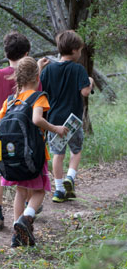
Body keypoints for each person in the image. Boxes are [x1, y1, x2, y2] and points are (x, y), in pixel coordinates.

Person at [0, 57, 68, 247]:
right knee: (39, 191)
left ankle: (16, 234)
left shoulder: (10, 101)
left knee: (20, 191)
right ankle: (26, 219)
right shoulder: (39, 97)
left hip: (14, 157)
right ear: (37, 76)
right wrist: (55, 128)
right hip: (34, 156)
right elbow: (36, 120)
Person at [40, 30, 94, 203]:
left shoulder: (49, 70)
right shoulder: (78, 69)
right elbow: (85, 92)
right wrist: (90, 81)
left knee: (57, 154)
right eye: (79, 50)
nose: (80, 53)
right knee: (76, 150)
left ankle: (59, 190)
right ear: (73, 50)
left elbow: (41, 92)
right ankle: (70, 177)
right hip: (73, 120)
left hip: (54, 120)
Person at [0, 31, 31, 231]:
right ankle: (25, 211)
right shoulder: (32, 77)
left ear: (6, 54)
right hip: (24, 137)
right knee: (25, 172)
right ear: (27, 53)